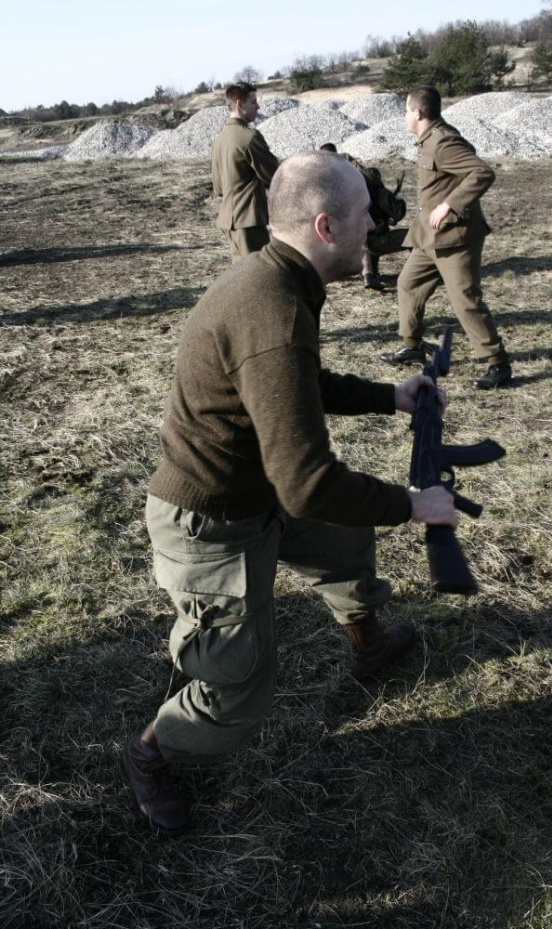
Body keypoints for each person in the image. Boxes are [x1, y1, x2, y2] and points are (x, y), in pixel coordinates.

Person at [120, 152, 457, 836]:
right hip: (210, 520)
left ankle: (366, 642)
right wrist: (414, 504)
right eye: (366, 214)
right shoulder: (271, 308)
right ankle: (148, 753)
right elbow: (308, 482)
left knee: (342, 539)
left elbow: (299, 382)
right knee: (238, 686)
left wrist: (386, 396)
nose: (377, 226)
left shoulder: (282, 279)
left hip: (258, 488)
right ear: (328, 225)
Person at [380, 85, 512, 390]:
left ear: (418, 112)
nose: (404, 117)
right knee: (408, 283)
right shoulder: (429, 138)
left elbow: (481, 172)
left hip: (455, 237)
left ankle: (498, 363)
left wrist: (448, 204)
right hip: (430, 235)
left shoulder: (442, 141)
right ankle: (412, 345)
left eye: (406, 111)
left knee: (465, 299)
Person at [319, 142, 407, 291]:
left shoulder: (346, 183)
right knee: (413, 236)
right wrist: (399, 198)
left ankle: (369, 274)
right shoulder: (379, 192)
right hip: (375, 239)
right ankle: (411, 274)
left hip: (352, 238)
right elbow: (397, 214)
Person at [211, 83, 279, 258]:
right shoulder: (249, 137)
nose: (258, 106)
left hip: (229, 221)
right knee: (259, 275)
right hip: (248, 221)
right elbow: (275, 176)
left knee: (241, 274)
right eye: (254, 101)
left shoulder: (220, 140)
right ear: (240, 104)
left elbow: (218, 188)